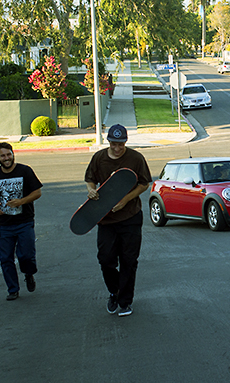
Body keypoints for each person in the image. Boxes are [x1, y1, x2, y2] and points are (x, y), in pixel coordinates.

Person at [84, 124, 152, 317]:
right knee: (105, 259)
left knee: (129, 260)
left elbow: (144, 183)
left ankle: (125, 301)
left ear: (125, 141)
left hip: (130, 216)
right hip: (105, 219)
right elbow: (90, 179)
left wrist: (125, 200)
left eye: (120, 144)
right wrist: (91, 190)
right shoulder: (99, 158)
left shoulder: (136, 158)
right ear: (109, 142)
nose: (117, 148)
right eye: (114, 144)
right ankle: (114, 292)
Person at [0, 142, 43, 301]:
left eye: (8, 154)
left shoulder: (25, 171)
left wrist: (22, 201)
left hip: (24, 222)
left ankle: (28, 274)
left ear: (13, 154)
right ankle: (13, 289)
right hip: (4, 224)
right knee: (6, 259)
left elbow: (37, 192)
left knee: (26, 255)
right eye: (3, 155)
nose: (6, 158)